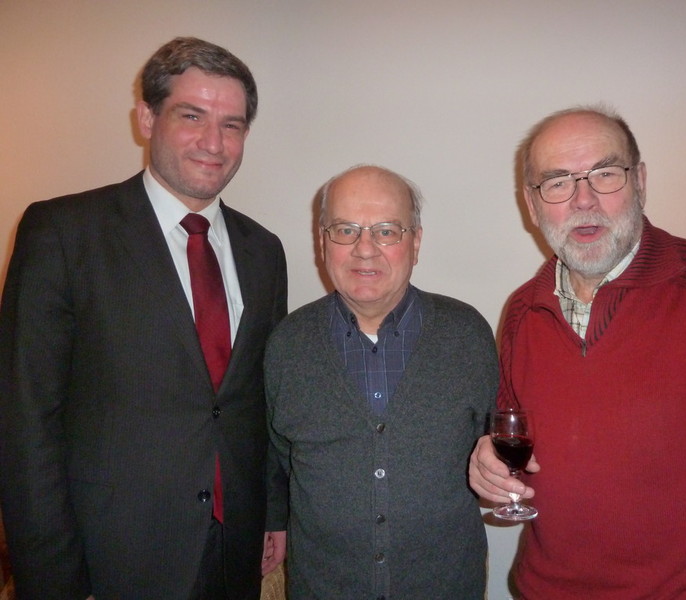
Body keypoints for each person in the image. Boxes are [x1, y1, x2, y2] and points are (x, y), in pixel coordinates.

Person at [469, 106, 686, 600]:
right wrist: (491, 465)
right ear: (532, 205)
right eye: (557, 182)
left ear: (640, 181)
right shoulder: (522, 311)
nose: (584, 199)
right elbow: (517, 441)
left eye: (605, 174)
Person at [0, 37, 288, 600]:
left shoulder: (264, 250)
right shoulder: (62, 233)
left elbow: (261, 400)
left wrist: (272, 511)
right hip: (111, 558)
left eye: (231, 125)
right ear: (147, 118)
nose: (214, 142)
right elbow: (24, 421)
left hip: (234, 549)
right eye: (192, 116)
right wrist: (53, 580)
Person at [264, 164, 498, 599]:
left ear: (416, 242)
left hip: (445, 587)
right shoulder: (287, 344)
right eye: (345, 230)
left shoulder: (467, 334)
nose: (365, 249)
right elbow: (276, 461)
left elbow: (495, 446)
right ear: (322, 242)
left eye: (387, 231)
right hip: (324, 589)